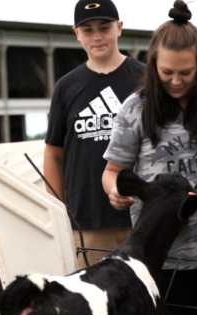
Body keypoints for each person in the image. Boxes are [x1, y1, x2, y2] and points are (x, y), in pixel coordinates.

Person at [101, 1, 197, 315]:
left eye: (186, 73)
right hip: (158, 260)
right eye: (167, 72)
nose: (176, 81)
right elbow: (112, 170)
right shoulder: (134, 109)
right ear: (153, 66)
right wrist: (114, 190)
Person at [44, 0, 145, 267]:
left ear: (119, 28)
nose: (97, 36)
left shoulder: (145, 79)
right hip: (87, 224)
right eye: (88, 30)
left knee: (145, 305)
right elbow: (54, 154)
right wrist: (58, 213)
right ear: (76, 33)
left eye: (104, 27)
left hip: (141, 218)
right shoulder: (66, 87)